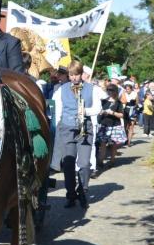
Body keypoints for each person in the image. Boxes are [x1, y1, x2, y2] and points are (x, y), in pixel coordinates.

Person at [51, 60, 99, 209]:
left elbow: (97, 108)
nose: (74, 78)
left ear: (81, 74)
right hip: (67, 129)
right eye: (71, 75)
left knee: (84, 163)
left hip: (85, 129)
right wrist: (58, 127)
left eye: (77, 75)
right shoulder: (61, 90)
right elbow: (58, 110)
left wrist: (84, 111)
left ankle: (83, 191)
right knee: (69, 163)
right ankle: (71, 194)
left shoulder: (92, 89)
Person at [96, 84, 127, 168]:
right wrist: (101, 112)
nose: (109, 91)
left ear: (115, 91)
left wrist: (112, 112)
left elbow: (121, 115)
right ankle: (100, 160)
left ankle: (112, 161)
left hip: (114, 125)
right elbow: (98, 110)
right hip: (104, 125)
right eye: (108, 90)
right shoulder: (104, 101)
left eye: (111, 90)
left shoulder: (118, 102)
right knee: (102, 144)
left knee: (113, 145)